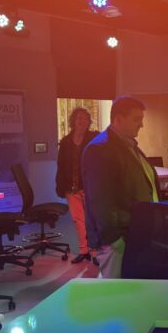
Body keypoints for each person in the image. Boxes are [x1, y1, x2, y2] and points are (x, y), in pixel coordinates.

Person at [82, 96, 159, 278]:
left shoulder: (128, 145)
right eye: (136, 119)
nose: (141, 125)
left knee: (130, 293)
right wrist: (115, 240)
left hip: (134, 234)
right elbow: (100, 201)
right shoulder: (100, 149)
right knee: (115, 296)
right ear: (118, 119)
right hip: (119, 240)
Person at [55, 108, 99, 264]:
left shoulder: (94, 139)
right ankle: (84, 250)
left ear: (89, 122)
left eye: (85, 118)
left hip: (89, 186)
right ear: (74, 120)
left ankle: (94, 251)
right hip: (70, 187)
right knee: (78, 220)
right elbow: (61, 165)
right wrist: (59, 186)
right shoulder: (66, 141)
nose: (82, 121)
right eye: (79, 118)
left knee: (91, 220)